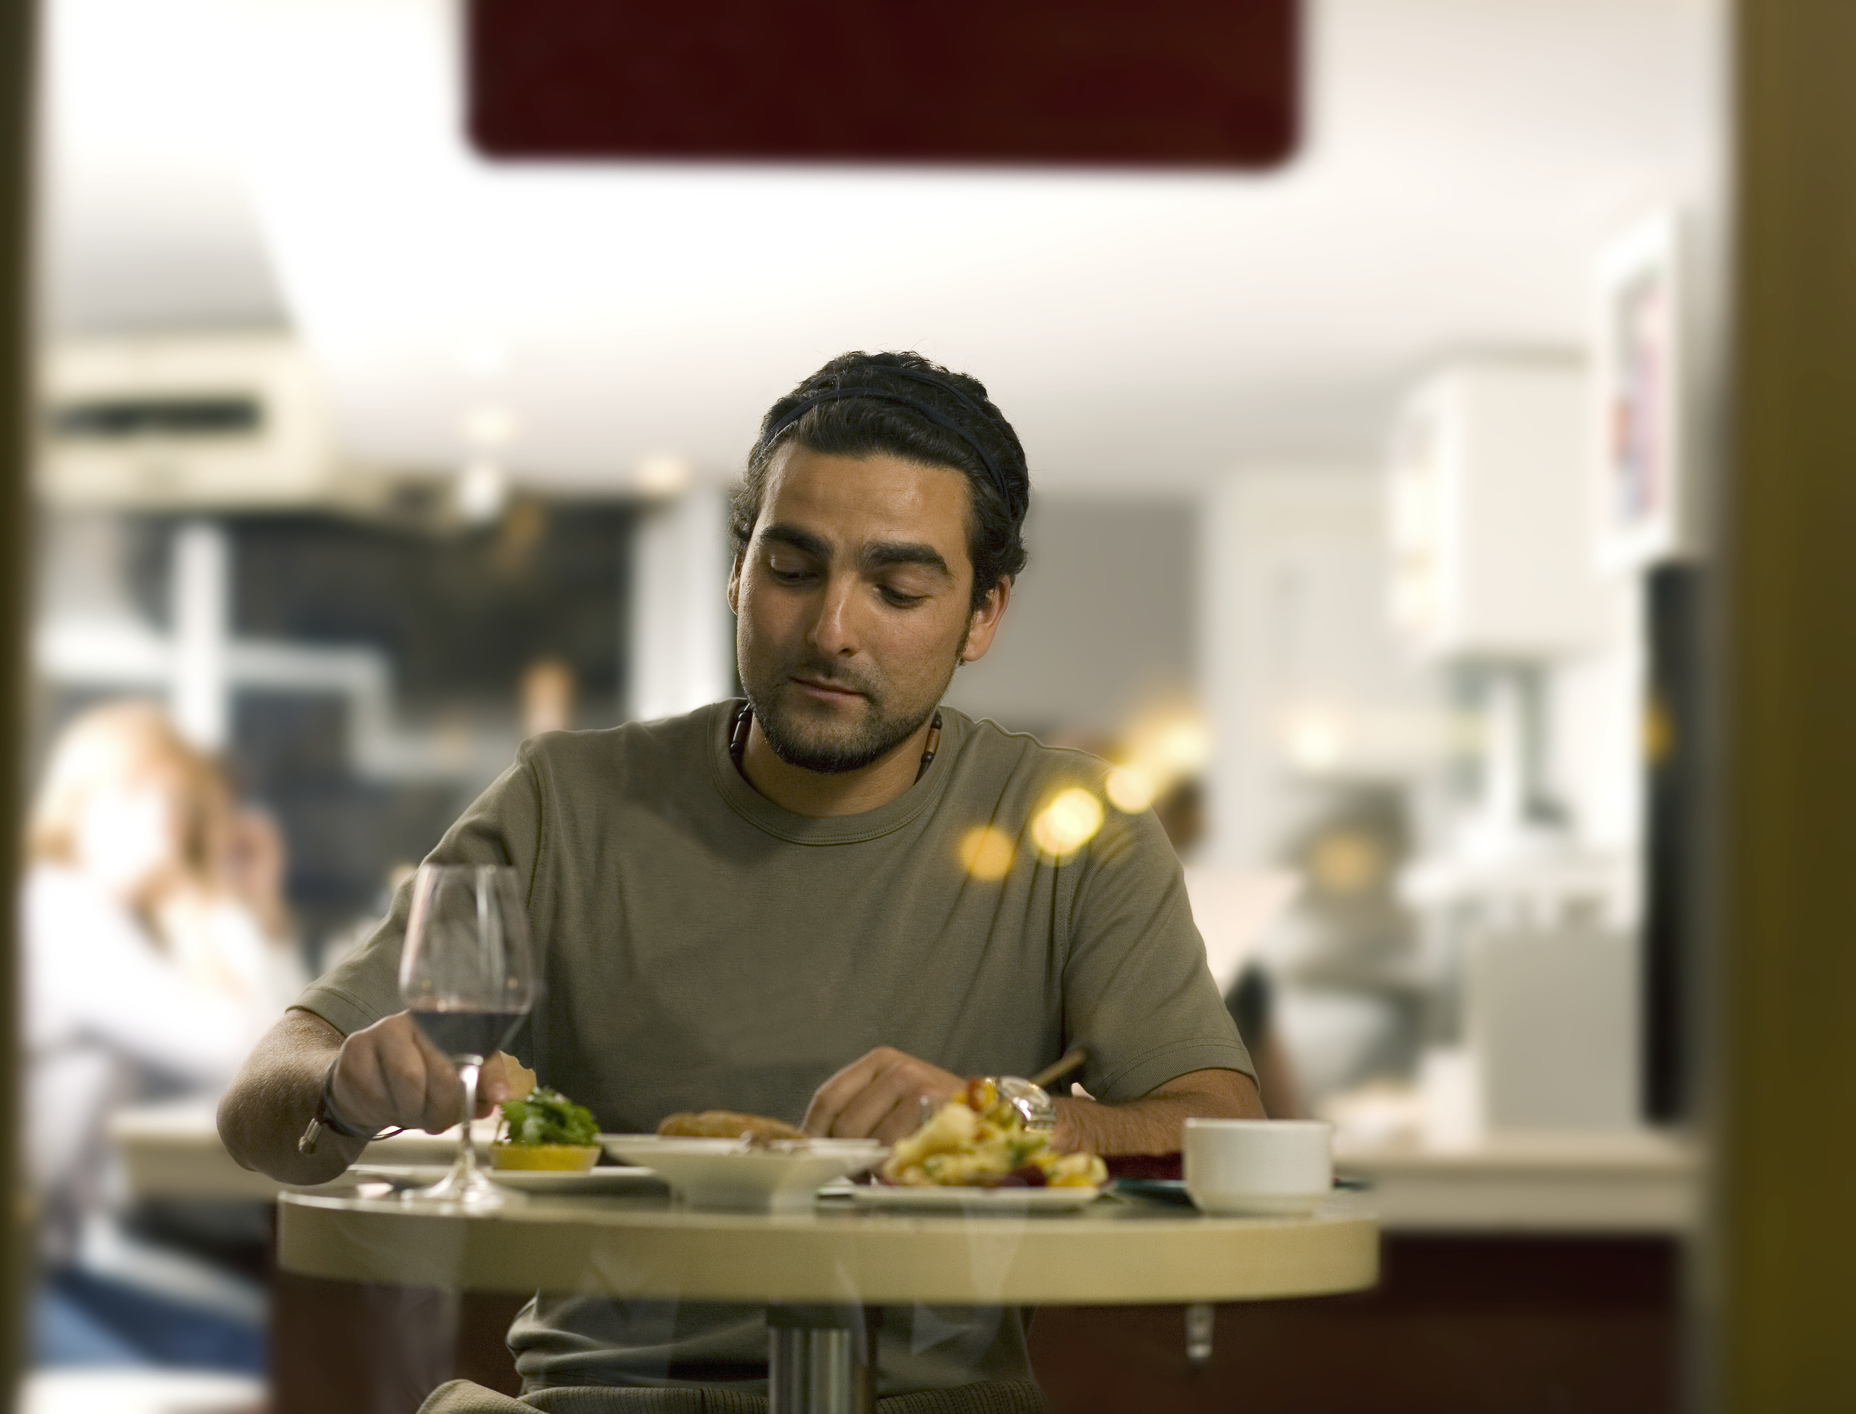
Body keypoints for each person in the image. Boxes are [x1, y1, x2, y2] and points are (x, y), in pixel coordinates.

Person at [218, 351, 1263, 1411]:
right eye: (792, 569)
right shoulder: (564, 804)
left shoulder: (1072, 827)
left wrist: (1008, 1120)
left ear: (984, 614)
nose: (831, 630)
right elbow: (261, 1103)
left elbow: (1224, 1128)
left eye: (897, 589)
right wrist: (342, 1087)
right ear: (737, 572)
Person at [24, 700, 304, 1372]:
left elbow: (284, 1044)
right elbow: (250, 1057)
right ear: (83, 802)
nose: (172, 825)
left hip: (45, 1268)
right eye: (146, 795)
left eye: (184, 807)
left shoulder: (96, 917)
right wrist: (205, 897)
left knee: (269, 1355)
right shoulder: (63, 911)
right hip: (2, 1288)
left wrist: (257, 909)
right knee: (264, 1365)